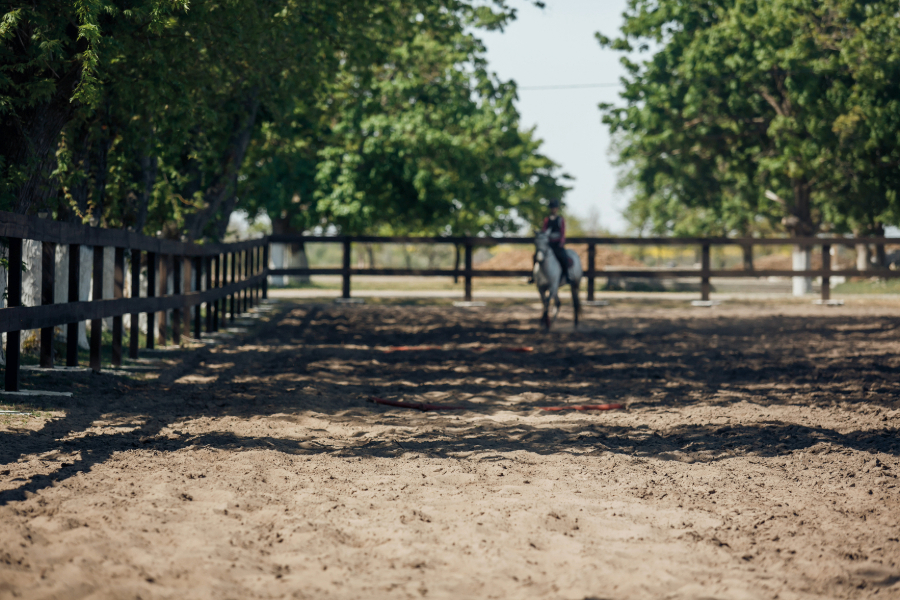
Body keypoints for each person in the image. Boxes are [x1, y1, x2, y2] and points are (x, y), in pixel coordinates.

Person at [531, 199, 571, 284]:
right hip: (548, 244)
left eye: (555, 208)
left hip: (557, 244)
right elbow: (544, 231)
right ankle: (533, 276)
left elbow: (562, 232)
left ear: (557, 209)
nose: (553, 209)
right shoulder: (547, 220)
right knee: (536, 256)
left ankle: (567, 276)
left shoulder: (560, 219)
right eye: (552, 208)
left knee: (564, 258)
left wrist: (561, 242)